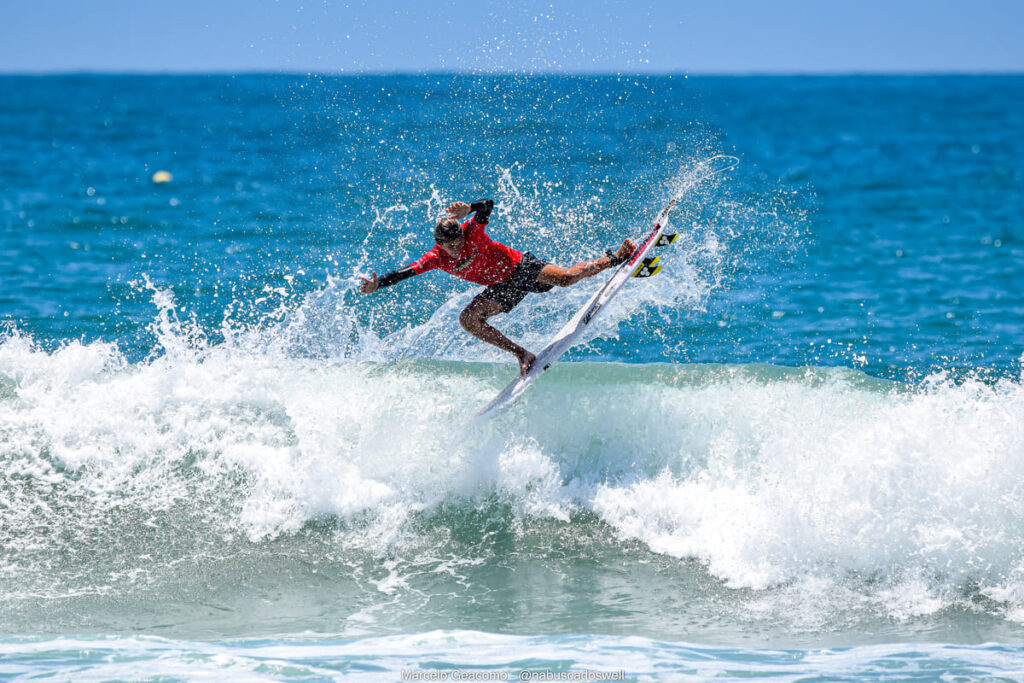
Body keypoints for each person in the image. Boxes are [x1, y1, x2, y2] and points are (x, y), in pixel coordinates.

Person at [359, 199, 635, 375]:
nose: (457, 250)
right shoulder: (435, 258)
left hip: (521, 267)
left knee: (564, 278)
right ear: (439, 243)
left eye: (459, 244)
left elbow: (488, 205)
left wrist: (471, 208)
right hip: (503, 287)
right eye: (451, 246)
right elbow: (405, 272)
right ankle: (522, 354)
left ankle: (614, 258)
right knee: (468, 319)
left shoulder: (471, 232)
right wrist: (377, 284)